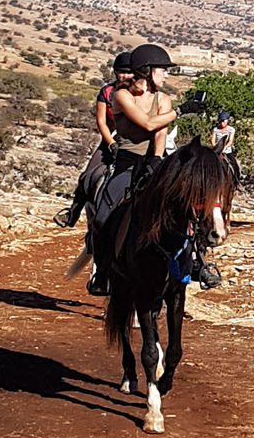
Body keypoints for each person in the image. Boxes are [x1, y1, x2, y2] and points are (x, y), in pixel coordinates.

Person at [87, 43, 210, 294]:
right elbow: (147, 122)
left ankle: (196, 261)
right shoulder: (121, 95)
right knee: (102, 217)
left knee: (186, 206)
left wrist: (156, 158)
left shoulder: (162, 98)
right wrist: (182, 110)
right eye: (162, 70)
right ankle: (102, 270)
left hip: (154, 160)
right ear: (147, 70)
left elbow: (159, 131)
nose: (166, 75)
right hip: (126, 161)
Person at [53, 52, 132, 228]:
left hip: (136, 142)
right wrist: (111, 144)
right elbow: (101, 121)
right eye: (121, 72)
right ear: (115, 73)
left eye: (129, 72)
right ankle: (73, 212)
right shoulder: (107, 92)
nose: (125, 76)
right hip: (111, 140)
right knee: (87, 176)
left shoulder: (141, 94)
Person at [212, 111, 240, 182]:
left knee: (235, 166)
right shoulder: (215, 129)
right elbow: (212, 140)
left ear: (227, 121)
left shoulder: (231, 129)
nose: (222, 123)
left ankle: (237, 182)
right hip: (216, 151)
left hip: (227, 151)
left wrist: (223, 148)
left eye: (224, 121)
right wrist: (216, 147)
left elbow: (230, 141)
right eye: (221, 121)